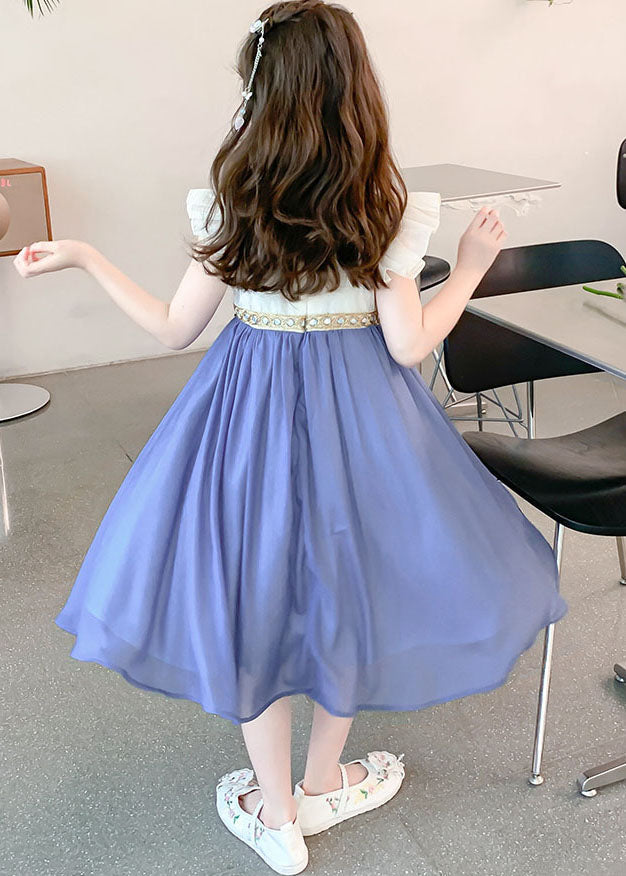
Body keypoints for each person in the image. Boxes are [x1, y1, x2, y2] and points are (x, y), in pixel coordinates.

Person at [13, 2, 568, 873]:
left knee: (256, 600)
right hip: (362, 419)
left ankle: (277, 817)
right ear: (356, 94)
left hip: (246, 418)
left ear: (259, 96)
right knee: (346, 587)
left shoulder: (230, 202)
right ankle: (322, 782)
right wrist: (467, 270)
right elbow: (410, 346)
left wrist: (86, 255)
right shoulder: (383, 206)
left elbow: (172, 330)